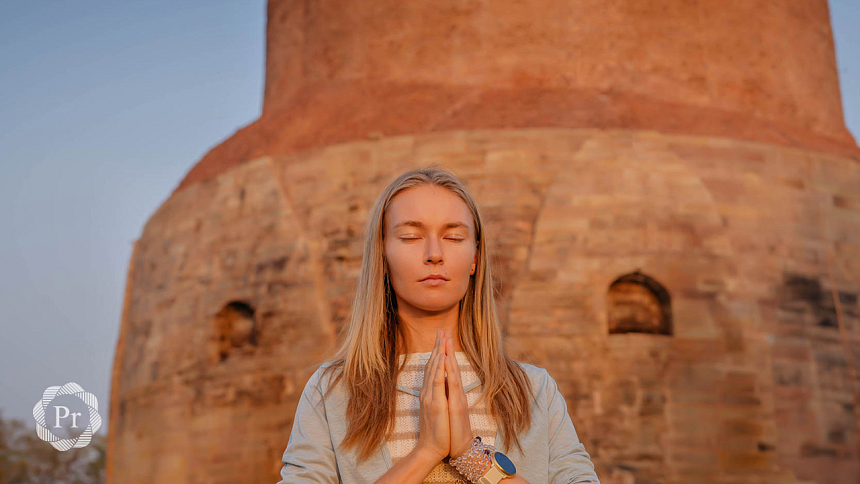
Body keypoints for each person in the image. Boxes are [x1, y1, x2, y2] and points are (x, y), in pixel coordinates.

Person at [277, 167, 601, 484]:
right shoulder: (332, 392)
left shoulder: (534, 392)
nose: (434, 254)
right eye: (410, 237)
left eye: (453, 237)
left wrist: (470, 456)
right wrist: (426, 452)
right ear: (382, 255)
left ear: (475, 258)